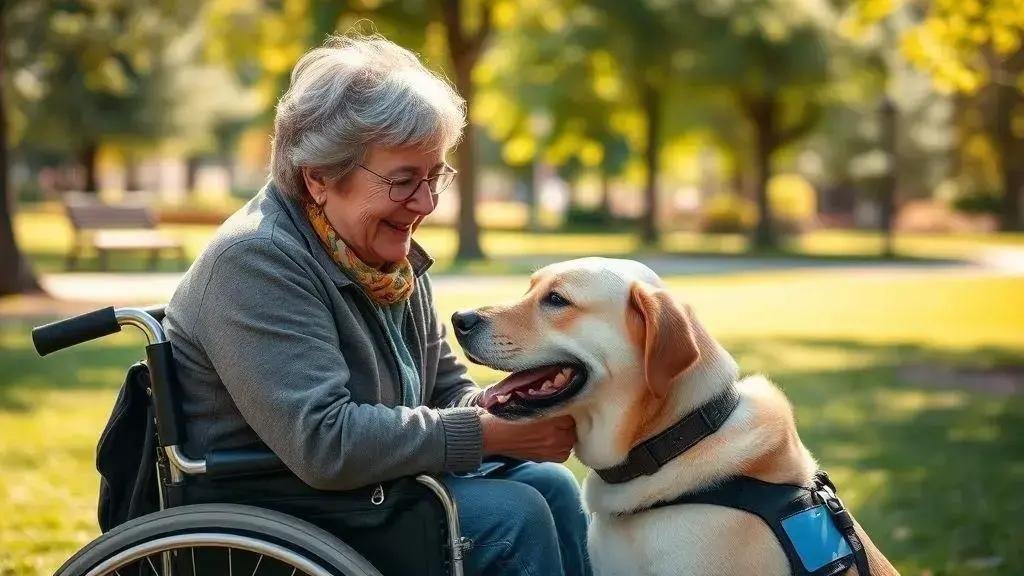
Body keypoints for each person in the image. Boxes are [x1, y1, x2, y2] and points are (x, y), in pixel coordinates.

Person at [163, 33, 591, 576]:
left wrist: (515, 407)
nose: (427, 203)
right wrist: (486, 434)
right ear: (318, 177)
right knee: (514, 515)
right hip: (280, 503)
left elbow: (444, 391)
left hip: (365, 489)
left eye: (435, 175)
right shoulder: (256, 262)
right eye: (403, 180)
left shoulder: (382, 256)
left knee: (549, 484)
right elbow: (324, 441)